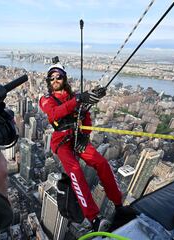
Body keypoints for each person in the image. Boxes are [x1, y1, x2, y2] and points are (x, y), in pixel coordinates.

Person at [39, 59, 123, 231]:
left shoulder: (74, 97)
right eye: (51, 78)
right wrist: (78, 99)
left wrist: (85, 135)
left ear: (64, 79)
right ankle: (93, 218)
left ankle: (119, 205)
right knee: (75, 172)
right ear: (48, 82)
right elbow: (54, 114)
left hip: (78, 139)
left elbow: (86, 118)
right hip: (62, 143)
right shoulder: (46, 99)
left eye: (58, 77)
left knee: (102, 163)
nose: (55, 80)